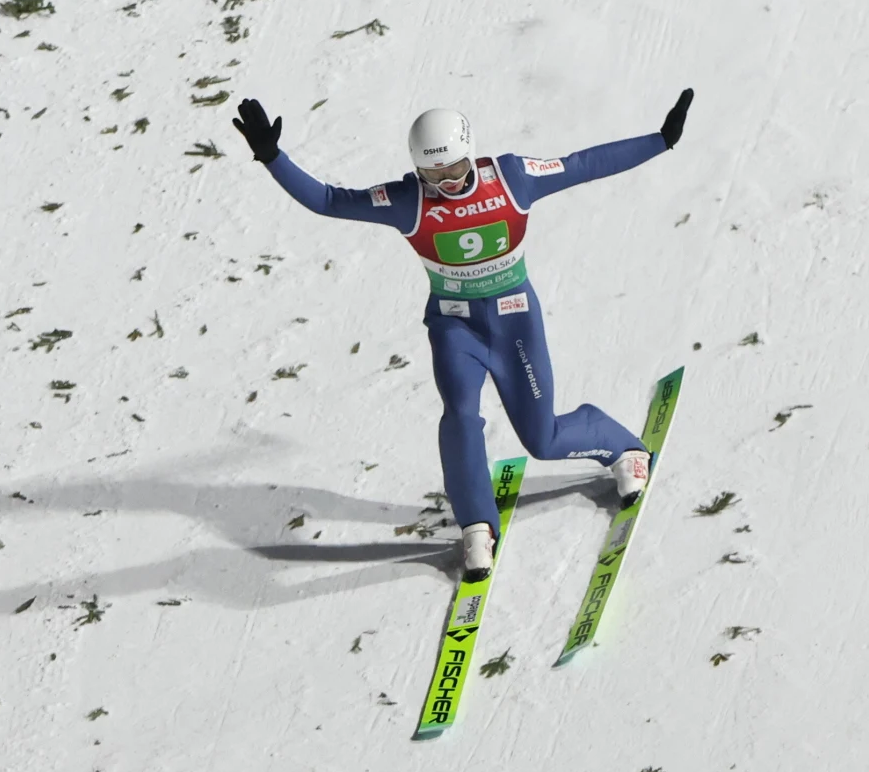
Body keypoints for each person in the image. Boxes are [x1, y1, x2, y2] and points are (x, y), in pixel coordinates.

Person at [233, 88, 694, 582]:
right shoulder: (407, 201)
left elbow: (582, 164)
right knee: (458, 416)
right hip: (455, 329)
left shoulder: (512, 178)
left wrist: (660, 140)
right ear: (417, 171)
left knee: (542, 437)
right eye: (434, 175)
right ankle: (476, 524)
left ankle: (622, 447)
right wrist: (272, 157)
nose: (448, 183)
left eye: (454, 170)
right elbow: (328, 200)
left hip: (515, 321)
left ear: (470, 153)